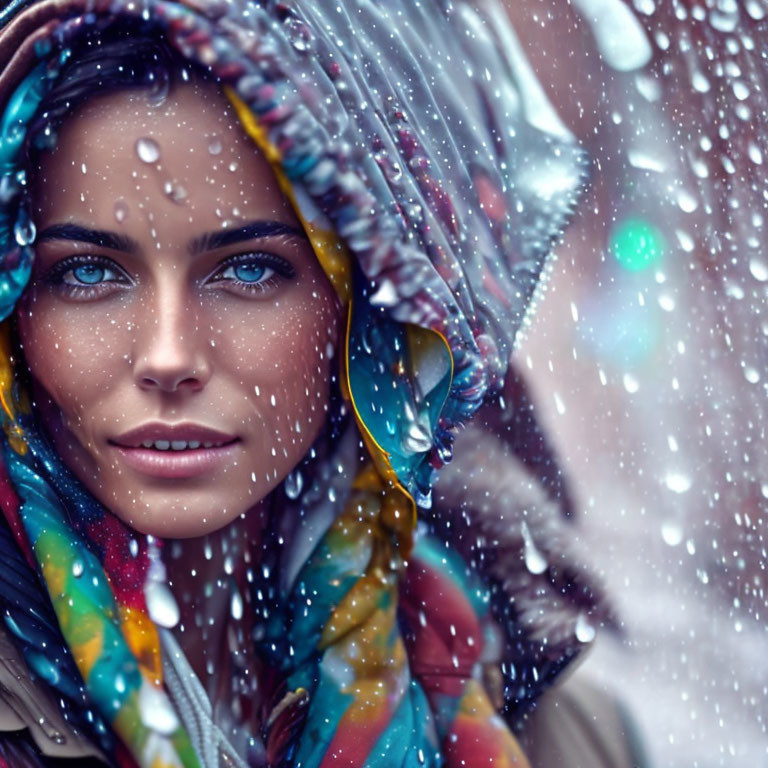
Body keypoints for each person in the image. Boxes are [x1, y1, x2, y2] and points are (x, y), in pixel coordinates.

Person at [0, 1, 648, 767]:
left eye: (248, 268)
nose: (169, 355)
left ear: (366, 319)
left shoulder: (558, 726)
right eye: (88, 271)